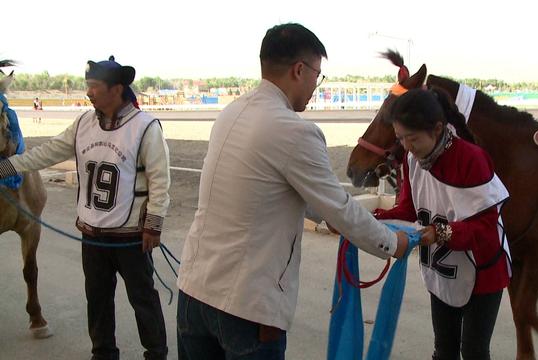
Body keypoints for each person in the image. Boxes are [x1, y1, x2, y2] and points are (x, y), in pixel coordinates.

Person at [176, 23, 416, 359]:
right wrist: (395, 243)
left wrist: (327, 215)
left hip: (194, 293)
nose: (316, 86)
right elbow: (340, 208)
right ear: (299, 70)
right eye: (318, 75)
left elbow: (270, 191)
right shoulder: (294, 131)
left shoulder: (232, 112)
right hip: (247, 308)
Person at [0, 56, 171, 360]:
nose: (88, 92)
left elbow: (160, 180)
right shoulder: (83, 123)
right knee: (98, 300)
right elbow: (48, 152)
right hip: (92, 234)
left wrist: (153, 224)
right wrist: (6, 167)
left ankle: (156, 353)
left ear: (116, 89)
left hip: (131, 235)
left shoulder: (146, 127)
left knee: (143, 298)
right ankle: (103, 353)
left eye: (94, 87)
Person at [373, 88, 511, 360]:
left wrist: (439, 233)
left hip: (482, 270)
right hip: (442, 268)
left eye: (412, 138)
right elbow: (408, 209)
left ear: (437, 129)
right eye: (400, 138)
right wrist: (367, 219)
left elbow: (485, 230)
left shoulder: (472, 159)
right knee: (444, 350)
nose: (406, 147)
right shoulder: (411, 160)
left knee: (473, 351)